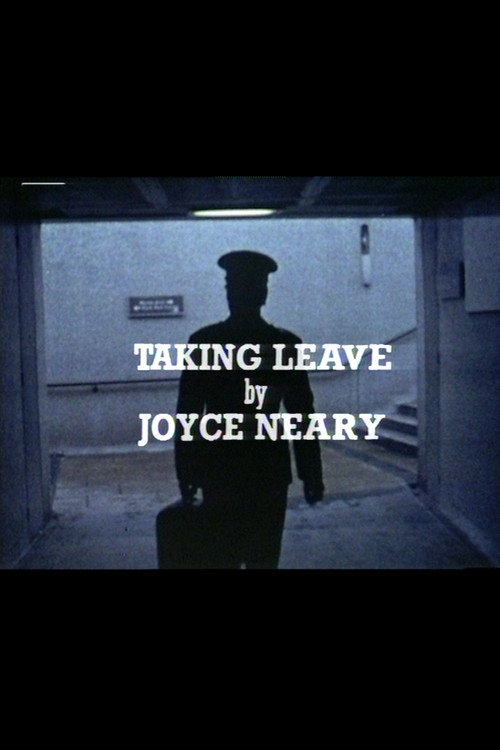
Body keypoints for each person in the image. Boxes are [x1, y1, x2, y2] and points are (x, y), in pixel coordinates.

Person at [174, 250, 324, 569]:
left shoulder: (204, 342)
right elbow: (301, 415)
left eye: (233, 285)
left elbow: (188, 415)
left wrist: (187, 472)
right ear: (264, 293)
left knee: (222, 558)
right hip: (267, 470)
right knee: (263, 559)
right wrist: (311, 473)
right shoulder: (285, 345)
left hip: (220, 469)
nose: (232, 291)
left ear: (230, 293)